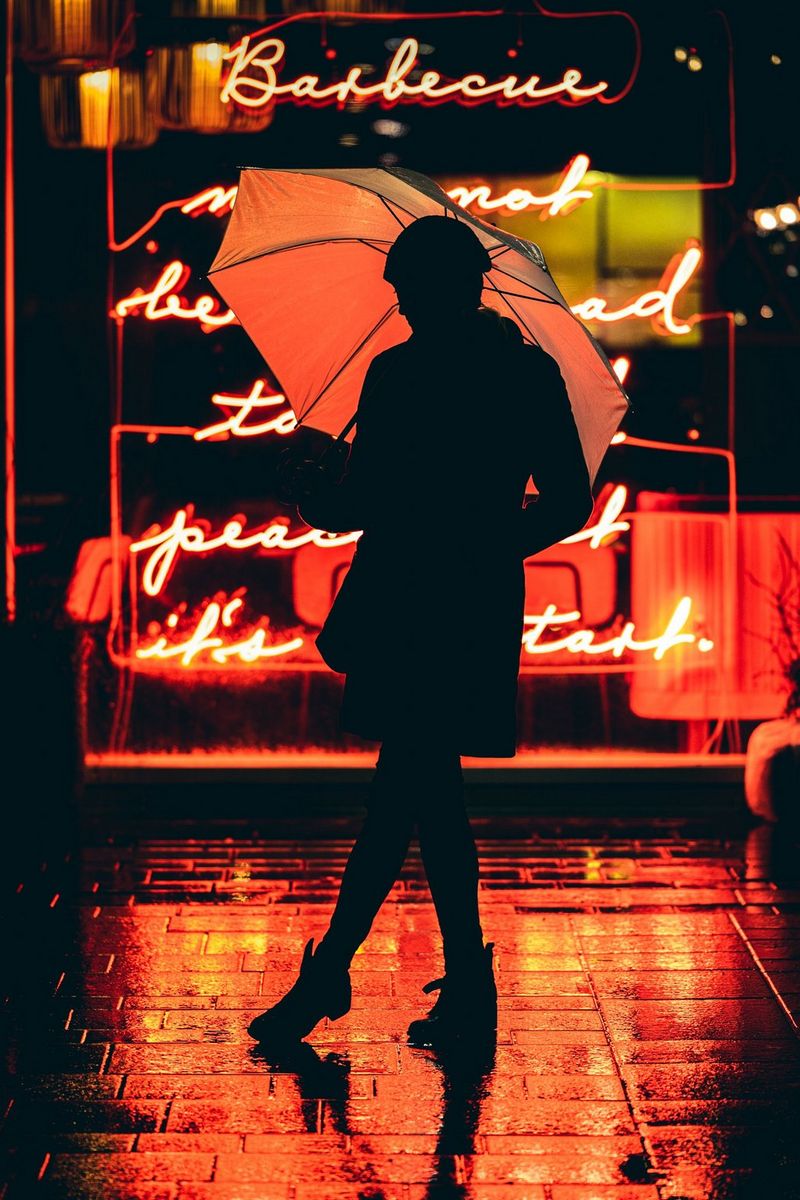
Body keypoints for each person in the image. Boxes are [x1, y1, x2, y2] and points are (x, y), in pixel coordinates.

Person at [247, 215, 594, 1047]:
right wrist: (488, 541)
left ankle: (336, 971)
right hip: (472, 603)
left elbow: (359, 505)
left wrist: (310, 481)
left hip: (403, 600)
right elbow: (571, 501)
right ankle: (455, 983)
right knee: (421, 794)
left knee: (406, 790)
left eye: (403, 288)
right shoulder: (527, 374)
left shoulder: (396, 374)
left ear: (432, 288)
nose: (398, 305)